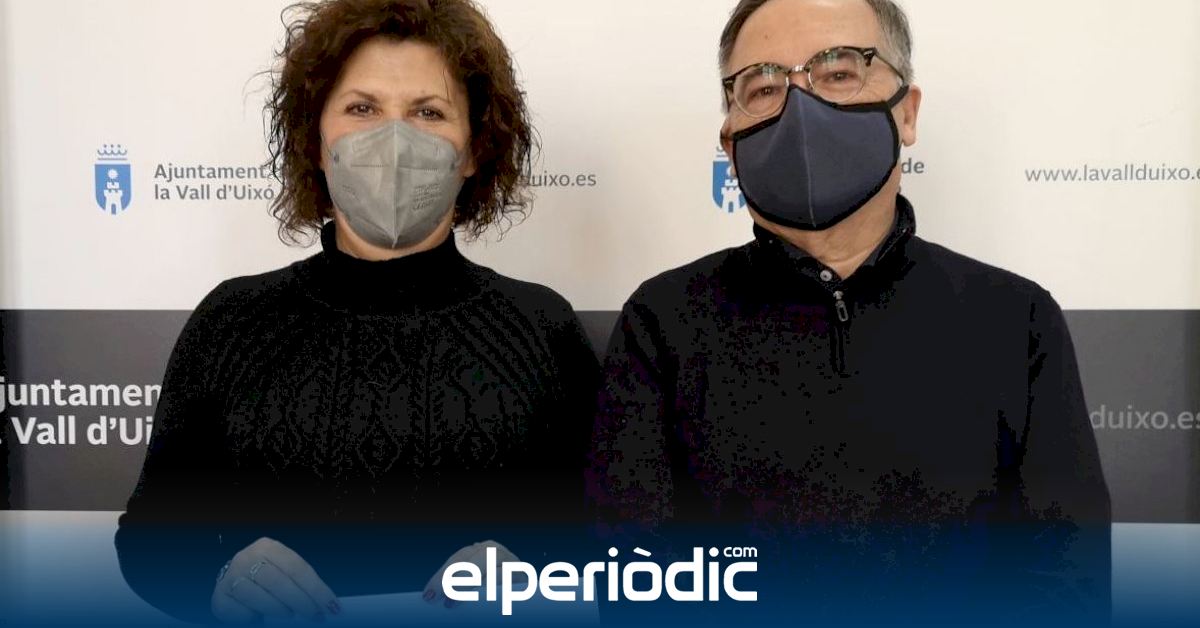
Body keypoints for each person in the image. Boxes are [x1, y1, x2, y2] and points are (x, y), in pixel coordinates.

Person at [587, 0, 1110, 624]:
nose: (801, 108)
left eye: (839, 72)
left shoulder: (1016, 319)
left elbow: (1065, 582)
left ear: (907, 112)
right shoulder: (662, 323)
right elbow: (636, 583)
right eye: (764, 86)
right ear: (730, 140)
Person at [115, 0, 597, 623]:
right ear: (316, 140)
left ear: (474, 149)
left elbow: (612, 537)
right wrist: (216, 580)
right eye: (362, 109)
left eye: (428, 112)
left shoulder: (540, 329)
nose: (393, 139)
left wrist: (536, 574)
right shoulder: (232, 322)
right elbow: (149, 540)